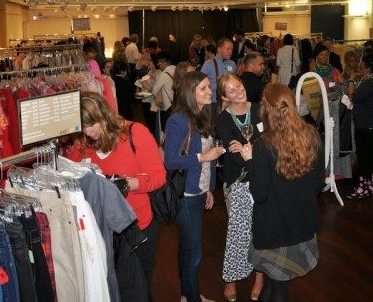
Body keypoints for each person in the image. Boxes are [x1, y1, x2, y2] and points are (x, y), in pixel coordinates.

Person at [68, 92, 166, 298]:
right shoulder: (82, 144)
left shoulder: (134, 132)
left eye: (92, 124)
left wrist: (127, 183)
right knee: (113, 289)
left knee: (139, 290)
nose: (89, 131)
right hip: (103, 230)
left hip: (138, 228)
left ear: (104, 114)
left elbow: (158, 177)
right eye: (83, 127)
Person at [237, 83, 325, 301]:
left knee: (276, 286)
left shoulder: (264, 145)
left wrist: (250, 163)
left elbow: (260, 194)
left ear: (266, 109)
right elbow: (318, 184)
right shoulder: (312, 136)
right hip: (302, 224)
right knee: (276, 283)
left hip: (274, 229)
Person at [164, 71, 223, 302]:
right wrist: (201, 156)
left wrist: (209, 188)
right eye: (203, 88)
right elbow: (170, 160)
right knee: (195, 253)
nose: (210, 91)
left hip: (198, 191)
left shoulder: (204, 115)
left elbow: (209, 162)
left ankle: (187, 295)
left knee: (187, 251)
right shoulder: (178, 120)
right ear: (190, 93)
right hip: (186, 195)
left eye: (209, 87)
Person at [215, 74, 264, 302]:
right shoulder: (223, 119)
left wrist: (247, 148)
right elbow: (232, 154)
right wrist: (251, 151)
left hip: (261, 179)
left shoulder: (260, 110)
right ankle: (231, 279)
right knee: (236, 234)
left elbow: (268, 142)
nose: (238, 91)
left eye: (239, 86)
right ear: (224, 96)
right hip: (236, 183)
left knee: (260, 230)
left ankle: (260, 277)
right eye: (231, 90)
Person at [347, 53, 373, 198]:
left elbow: (353, 96)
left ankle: (363, 188)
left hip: (366, 125)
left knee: (365, 158)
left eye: (362, 67)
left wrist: (351, 79)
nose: (359, 69)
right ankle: (370, 186)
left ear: (368, 69)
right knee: (370, 157)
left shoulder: (369, 82)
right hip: (370, 124)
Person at [201, 38, 237, 103]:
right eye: (228, 49)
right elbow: (200, 84)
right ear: (219, 49)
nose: (230, 52)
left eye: (232, 49)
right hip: (213, 103)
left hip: (229, 102)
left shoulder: (232, 64)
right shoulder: (208, 64)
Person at [150, 52, 175, 135]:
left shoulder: (163, 74)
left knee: (166, 131)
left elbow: (154, 90)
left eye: (159, 63)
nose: (158, 65)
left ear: (164, 63)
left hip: (167, 106)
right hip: (176, 104)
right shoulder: (176, 69)